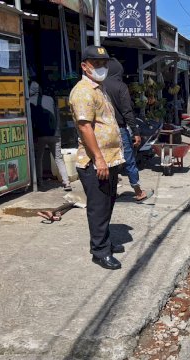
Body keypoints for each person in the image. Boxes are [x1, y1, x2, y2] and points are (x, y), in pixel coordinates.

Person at [69, 45, 125, 270]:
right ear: (85, 66)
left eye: (104, 63)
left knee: (108, 202)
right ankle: (99, 251)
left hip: (110, 159)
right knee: (99, 206)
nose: (102, 67)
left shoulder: (98, 89)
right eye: (96, 63)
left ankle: (105, 242)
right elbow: (85, 128)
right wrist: (99, 159)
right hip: (95, 161)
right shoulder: (83, 91)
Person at [104, 58, 153, 202]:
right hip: (119, 130)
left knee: (108, 162)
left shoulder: (98, 86)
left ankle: (109, 193)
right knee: (129, 160)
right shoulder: (120, 86)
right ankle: (138, 192)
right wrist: (136, 132)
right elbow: (127, 112)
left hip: (102, 131)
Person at [29, 81, 71, 191]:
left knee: (39, 159)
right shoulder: (50, 99)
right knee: (58, 158)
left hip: (40, 135)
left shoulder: (29, 102)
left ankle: (40, 182)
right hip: (55, 135)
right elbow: (56, 116)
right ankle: (66, 182)